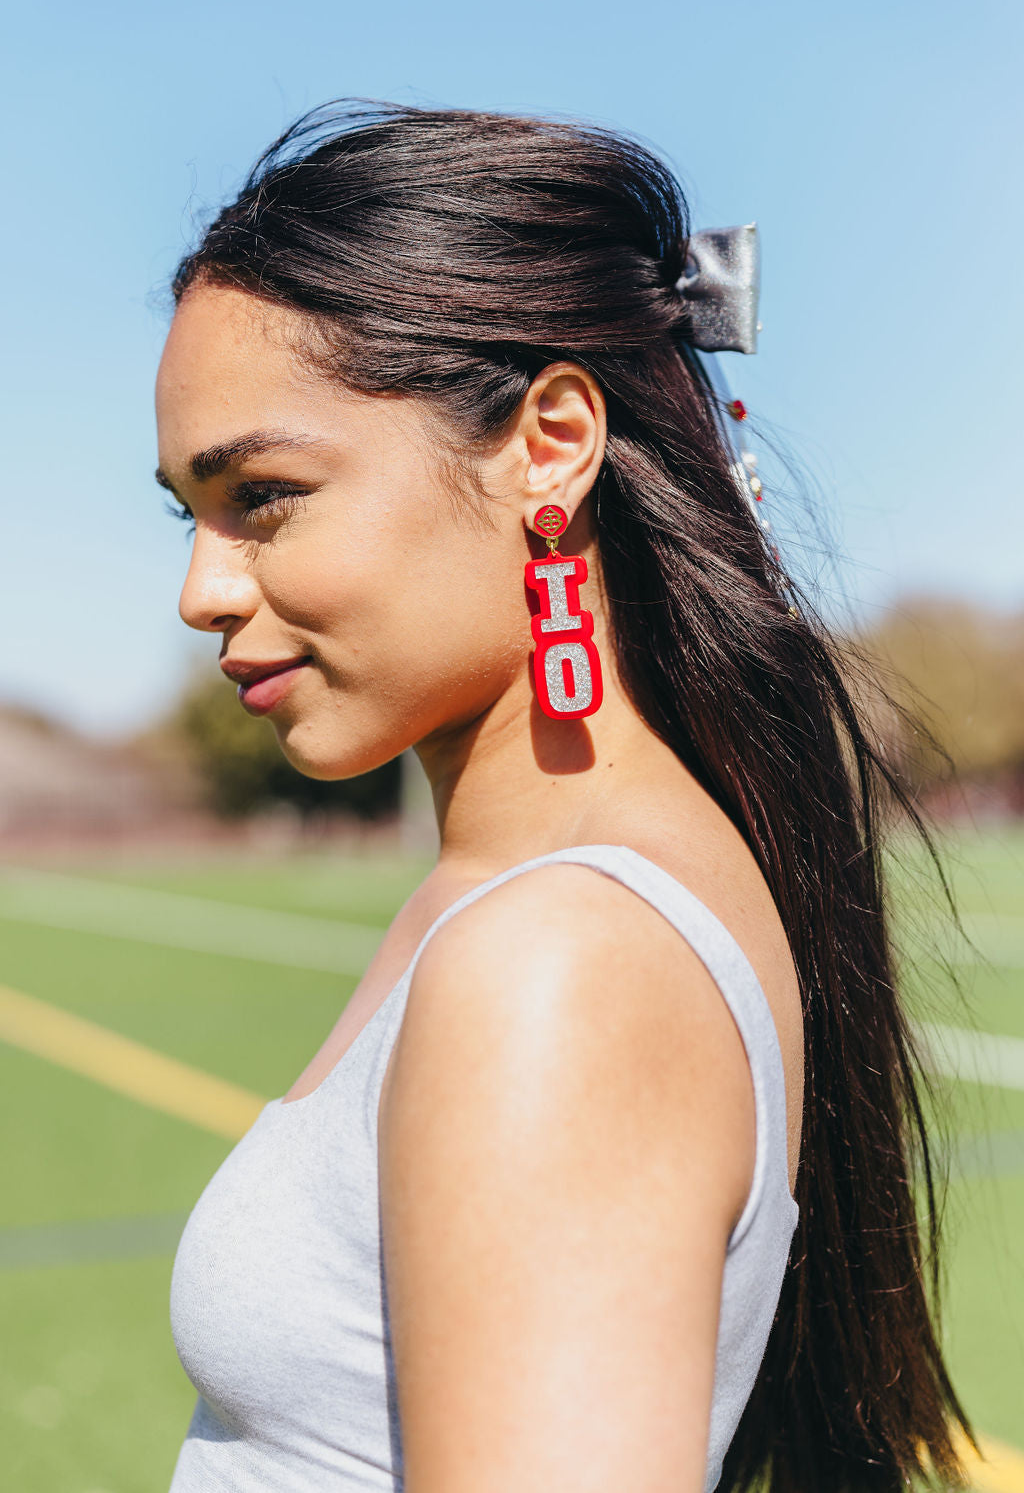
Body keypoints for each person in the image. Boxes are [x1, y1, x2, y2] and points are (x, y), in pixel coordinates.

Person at [155, 101, 974, 1492]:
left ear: (551, 443)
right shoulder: (521, 896)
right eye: (192, 511)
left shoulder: (562, 961)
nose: (202, 591)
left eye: (269, 497)